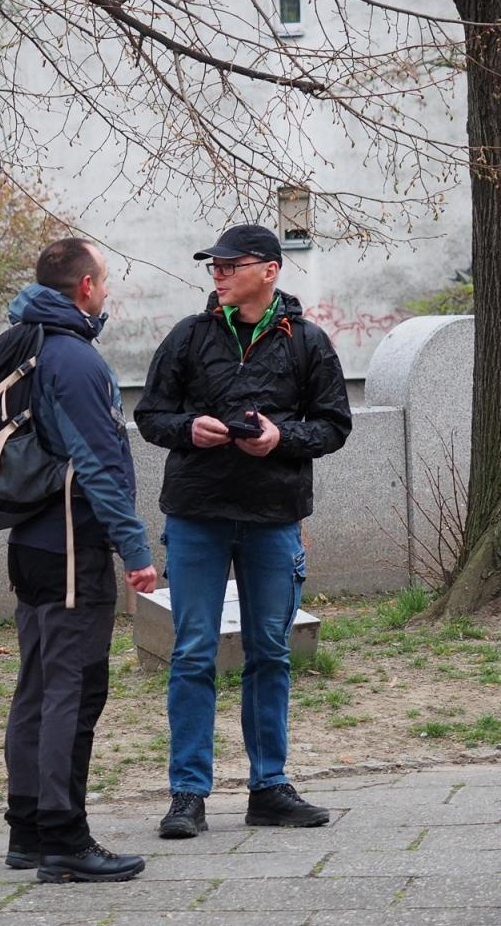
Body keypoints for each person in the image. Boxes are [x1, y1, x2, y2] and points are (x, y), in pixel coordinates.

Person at [135, 224, 353, 838]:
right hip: (197, 515)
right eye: (214, 267)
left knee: (270, 654)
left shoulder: (307, 342)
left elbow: (335, 424)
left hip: (272, 518)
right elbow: (150, 414)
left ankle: (269, 787)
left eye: (231, 265)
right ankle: (187, 795)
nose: (219, 275)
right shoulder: (189, 335)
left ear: (270, 270)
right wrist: (188, 429)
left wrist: (283, 439)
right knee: (193, 652)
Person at [1, 238, 159, 882]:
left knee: (37, 685)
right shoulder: (75, 359)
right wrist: (138, 550)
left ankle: (29, 831)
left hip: (29, 542)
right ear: (87, 287)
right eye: (106, 278)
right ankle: (65, 841)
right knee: (72, 688)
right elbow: (99, 467)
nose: (109, 289)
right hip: (73, 547)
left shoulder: (22, 342)